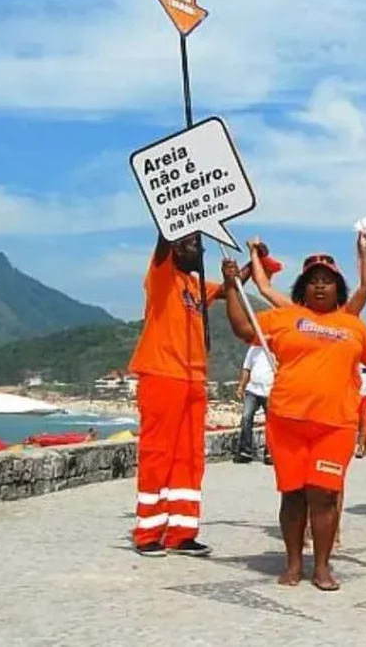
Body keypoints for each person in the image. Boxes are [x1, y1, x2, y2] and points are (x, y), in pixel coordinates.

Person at [221, 253, 366, 591]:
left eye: (327, 280)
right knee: (292, 495)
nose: (320, 285)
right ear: (302, 288)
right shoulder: (284, 317)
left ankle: (321, 566)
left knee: (323, 493)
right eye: (313, 280)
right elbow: (243, 327)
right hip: (287, 421)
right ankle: (293, 563)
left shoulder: (353, 325)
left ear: (338, 288)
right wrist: (233, 286)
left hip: (336, 425)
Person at [127, 233, 253, 558]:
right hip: (161, 374)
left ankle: (182, 532)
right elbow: (163, 243)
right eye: (187, 244)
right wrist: (172, 222)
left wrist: (252, 265)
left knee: (190, 457)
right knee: (158, 453)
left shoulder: (196, 287)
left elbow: (230, 289)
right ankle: (148, 532)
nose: (194, 249)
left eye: (198, 245)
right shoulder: (162, 276)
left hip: (194, 379)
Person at [235, 343, 274, 464]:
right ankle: (245, 451)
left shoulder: (277, 349)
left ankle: (270, 453)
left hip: (271, 390)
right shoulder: (254, 348)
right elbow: (247, 368)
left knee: (272, 422)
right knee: (246, 416)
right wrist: (241, 386)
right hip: (253, 390)